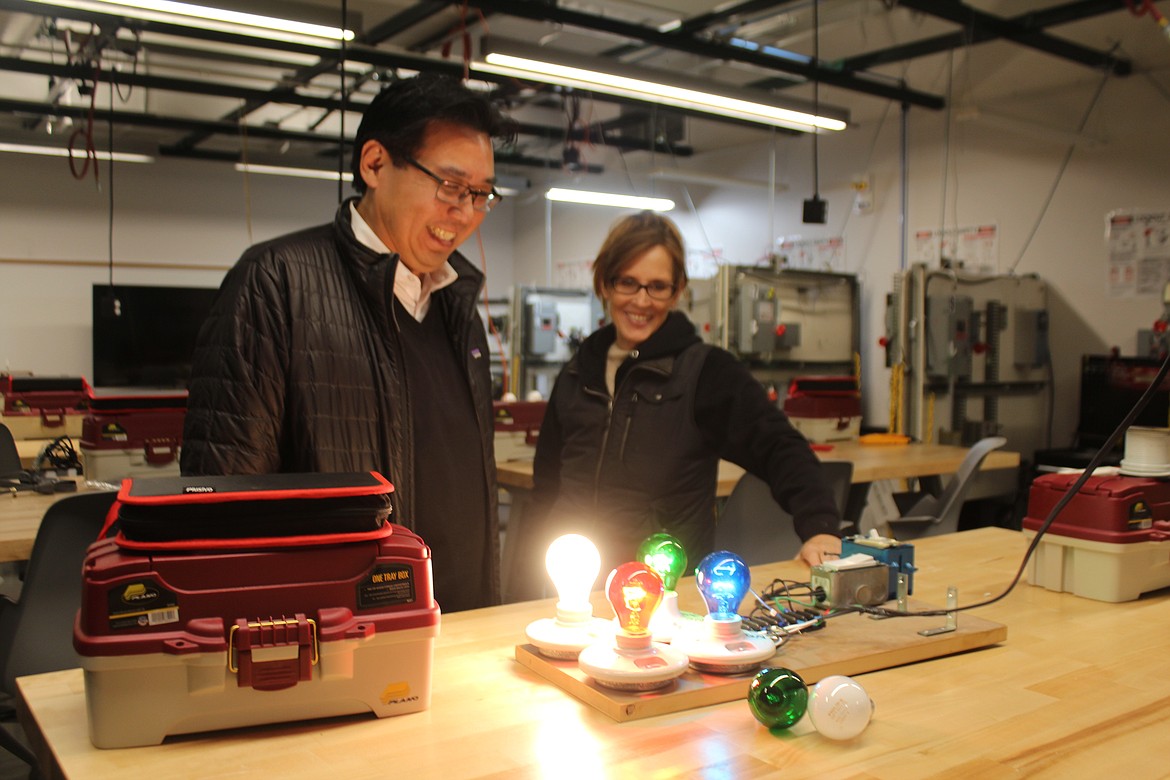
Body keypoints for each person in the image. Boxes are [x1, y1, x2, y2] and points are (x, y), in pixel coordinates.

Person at [181, 73, 514, 613]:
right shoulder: (277, 282)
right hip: (338, 635)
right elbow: (221, 503)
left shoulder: (458, 307)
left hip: (460, 625)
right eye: (451, 187)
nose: (466, 213)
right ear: (375, 164)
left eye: (481, 195)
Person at [529, 211, 842, 578]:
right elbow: (546, 485)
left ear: (677, 291)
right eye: (628, 282)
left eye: (657, 286)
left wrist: (820, 526)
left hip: (664, 596)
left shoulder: (705, 372)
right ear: (605, 285)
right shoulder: (578, 372)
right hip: (573, 586)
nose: (642, 301)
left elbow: (779, 447)